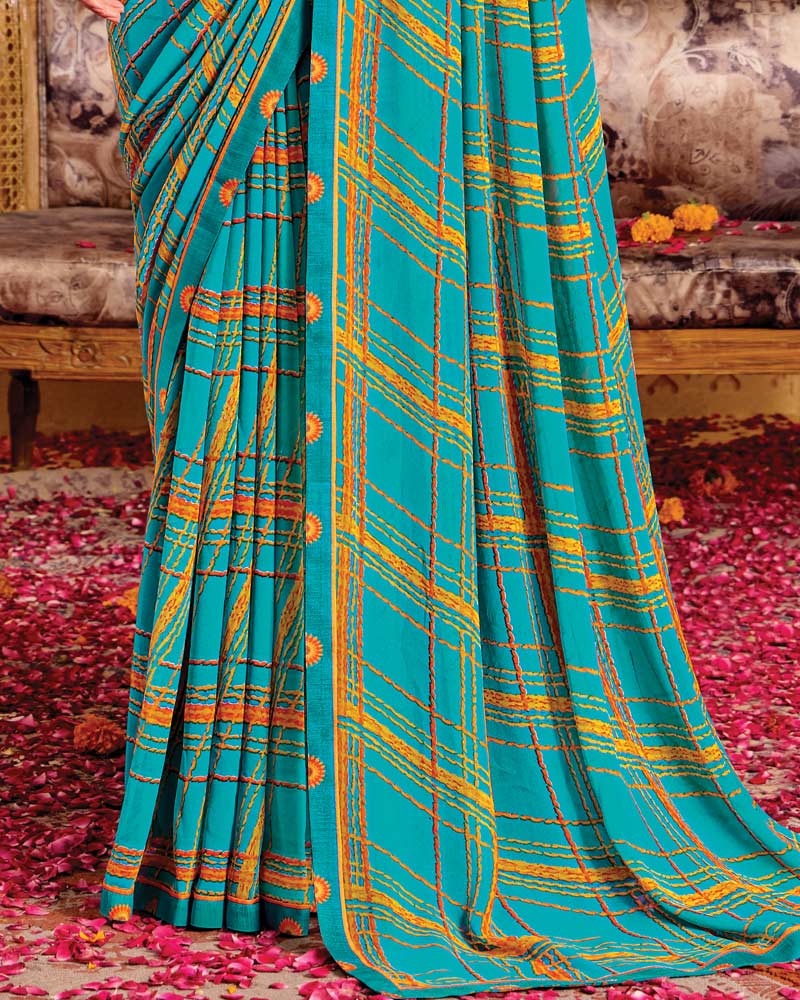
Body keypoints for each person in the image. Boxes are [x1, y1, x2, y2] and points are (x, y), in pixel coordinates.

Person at [80, 0, 800, 992]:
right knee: (265, 362)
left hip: (456, 44)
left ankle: (357, 814)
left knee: (431, 355)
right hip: (279, 58)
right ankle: (269, 829)